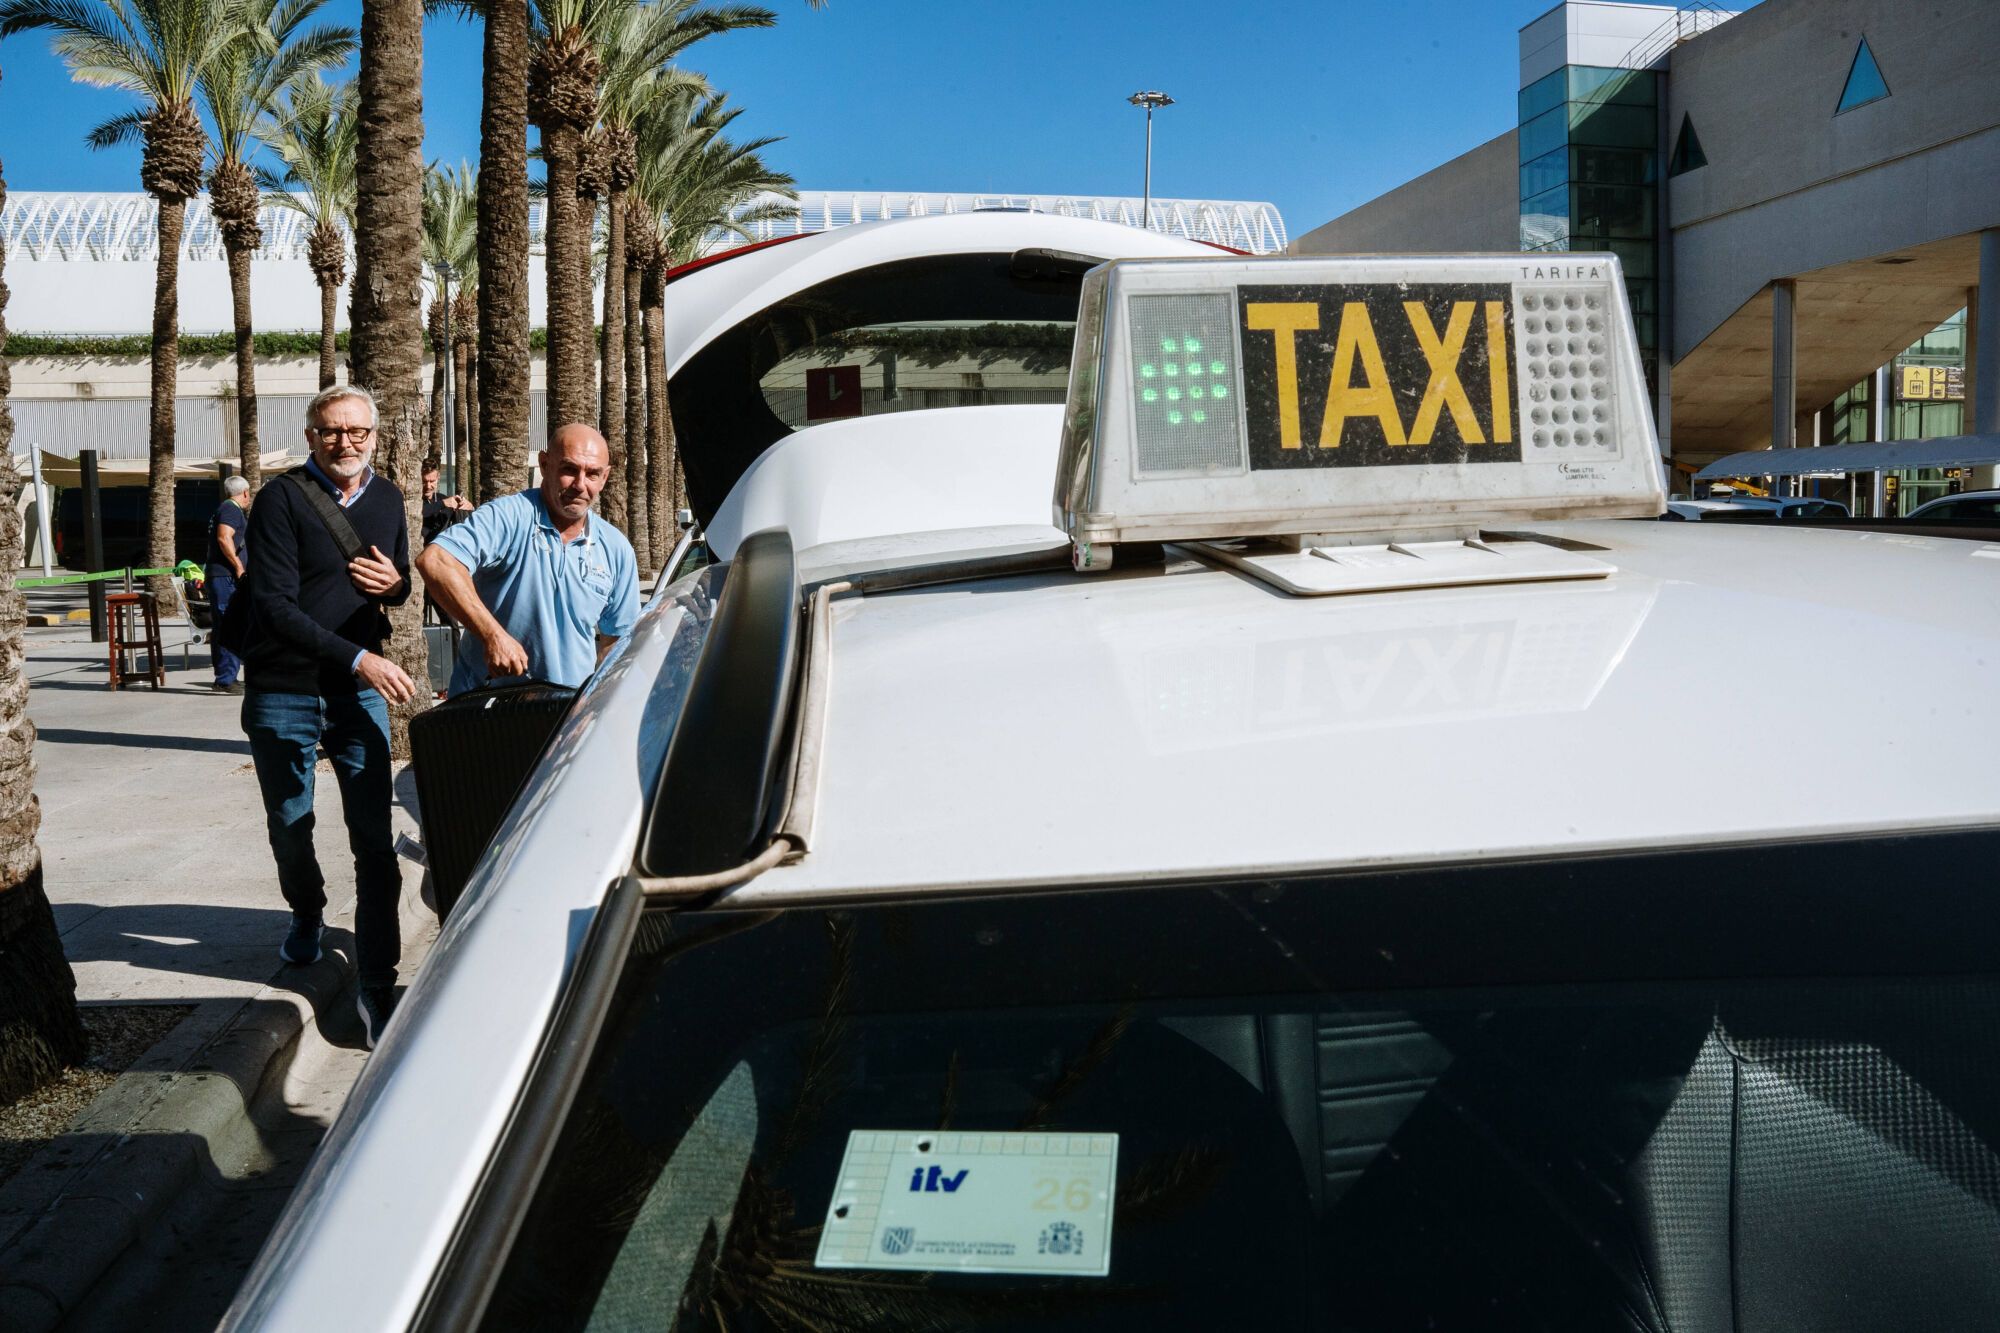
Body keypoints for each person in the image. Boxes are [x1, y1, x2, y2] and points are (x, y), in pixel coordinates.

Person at [240, 383, 417, 1049]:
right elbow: (274, 606)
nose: (346, 442)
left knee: (375, 841)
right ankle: (308, 908)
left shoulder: (389, 497)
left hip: (356, 697)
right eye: (331, 431)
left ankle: (377, 983)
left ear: (374, 436)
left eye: (358, 432)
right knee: (291, 823)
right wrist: (360, 661)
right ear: (311, 436)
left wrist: (396, 586)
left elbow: (394, 578)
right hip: (285, 688)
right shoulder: (282, 500)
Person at [416, 423, 639, 697]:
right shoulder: (508, 517)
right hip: (485, 711)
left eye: (592, 474)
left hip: (565, 715)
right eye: (569, 469)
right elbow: (436, 561)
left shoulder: (616, 549)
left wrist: (596, 709)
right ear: (544, 464)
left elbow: (614, 645)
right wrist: (492, 636)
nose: (580, 485)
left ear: (605, 478)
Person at [205, 475, 251, 694]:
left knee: (223, 626)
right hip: (225, 577)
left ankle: (223, 676)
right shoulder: (231, 510)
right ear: (244, 493)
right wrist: (238, 567)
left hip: (219, 575)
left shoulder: (223, 509)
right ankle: (226, 679)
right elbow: (225, 538)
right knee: (229, 623)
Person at [420, 457, 472, 546]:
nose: (428, 486)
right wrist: (443, 504)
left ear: (438, 478)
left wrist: (469, 507)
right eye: (424, 481)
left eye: (432, 481)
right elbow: (418, 512)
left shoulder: (442, 498)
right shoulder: (412, 501)